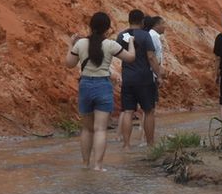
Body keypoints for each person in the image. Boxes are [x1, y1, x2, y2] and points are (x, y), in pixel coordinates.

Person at [66, 11, 136, 171]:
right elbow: (131, 58)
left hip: (85, 85)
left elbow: (69, 63)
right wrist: (131, 42)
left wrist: (71, 44)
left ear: (90, 26)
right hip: (103, 86)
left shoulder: (81, 43)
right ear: (107, 29)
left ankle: (85, 164)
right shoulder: (111, 45)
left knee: (87, 128)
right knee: (100, 129)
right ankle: (98, 166)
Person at [116, 9, 161, 150]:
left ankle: (126, 145)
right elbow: (151, 57)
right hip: (144, 79)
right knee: (148, 111)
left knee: (128, 111)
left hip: (128, 78)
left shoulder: (121, 35)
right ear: (142, 21)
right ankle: (150, 144)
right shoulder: (145, 36)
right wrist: (158, 75)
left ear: (129, 20)